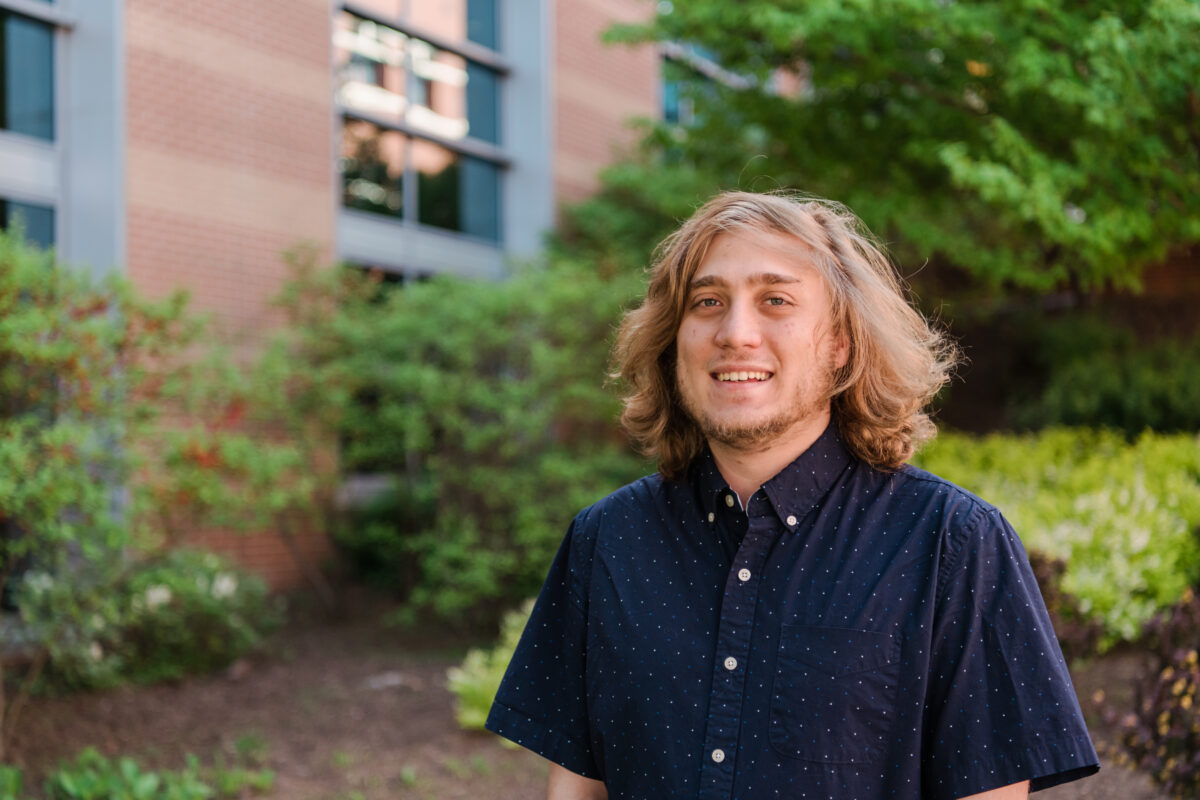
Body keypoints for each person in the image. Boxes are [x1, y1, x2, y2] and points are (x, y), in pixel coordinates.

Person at [485, 191, 1100, 800]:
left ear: (840, 344)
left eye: (775, 300)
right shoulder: (605, 541)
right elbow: (578, 790)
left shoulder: (955, 542)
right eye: (708, 302)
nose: (736, 333)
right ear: (675, 342)